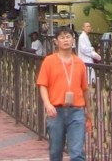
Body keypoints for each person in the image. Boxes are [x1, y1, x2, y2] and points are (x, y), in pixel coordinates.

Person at [37, 27, 92, 161]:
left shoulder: (79, 63)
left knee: (77, 153)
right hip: (56, 111)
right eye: (62, 37)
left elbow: (85, 89)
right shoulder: (49, 61)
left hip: (76, 111)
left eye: (68, 37)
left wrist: (89, 112)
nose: (66, 40)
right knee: (55, 152)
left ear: (73, 40)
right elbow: (42, 85)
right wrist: (48, 104)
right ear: (56, 41)